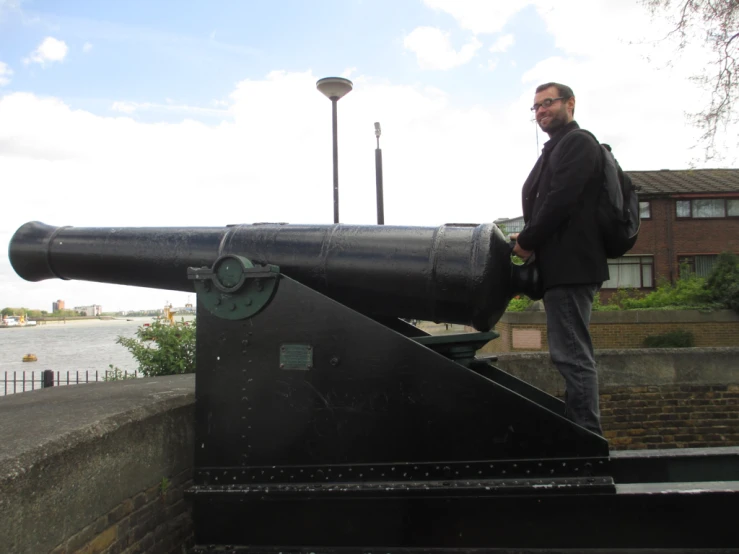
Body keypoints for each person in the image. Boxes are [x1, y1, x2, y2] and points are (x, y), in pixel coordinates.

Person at [510, 82, 609, 435]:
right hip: (562, 268)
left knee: (572, 356)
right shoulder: (557, 148)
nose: (540, 111)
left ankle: (586, 436)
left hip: (571, 266)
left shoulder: (578, 143)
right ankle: (580, 429)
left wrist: (529, 241)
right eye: (535, 107)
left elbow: (560, 199)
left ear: (570, 103)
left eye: (547, 103)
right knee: (569, 355)